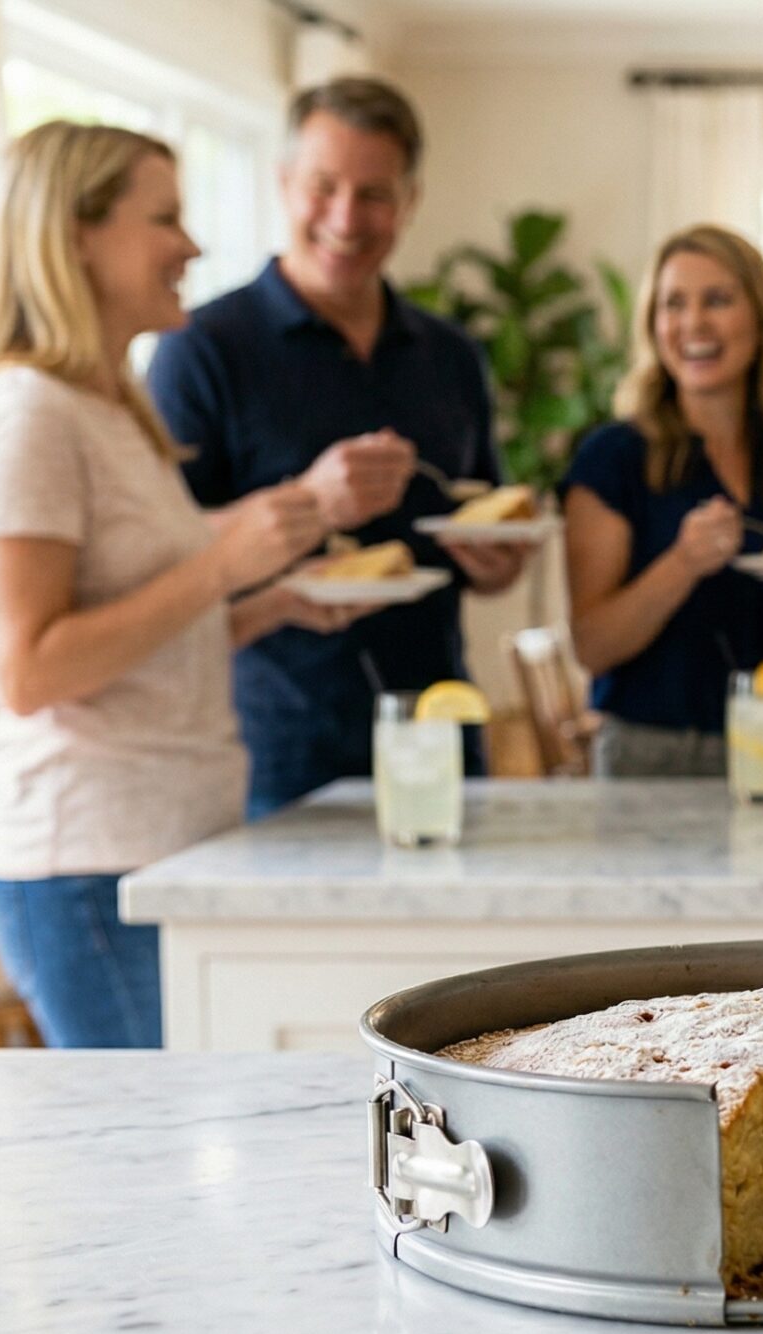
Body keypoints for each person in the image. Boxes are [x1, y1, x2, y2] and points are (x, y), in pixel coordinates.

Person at [0, 123, 341, 1047]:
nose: (192, 246)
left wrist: (266, 602)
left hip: (164, 848)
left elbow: (128, 636)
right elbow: (30, 671)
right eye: (165, 218)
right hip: (83, 869)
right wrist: (223, 565)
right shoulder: (24, 416)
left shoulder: (110, 409)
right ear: (75, 234)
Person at [146, 76, 532, 817]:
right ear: (284, 181)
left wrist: (496, 559)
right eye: (322, 186)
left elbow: (477, 512)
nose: (346, 217)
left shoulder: (450, 354)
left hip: (438, 726)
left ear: (410, 200)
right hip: (275, 747)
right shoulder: (200, 349)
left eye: (375, 193)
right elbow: (165, 556)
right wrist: (311, 504)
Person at [561, 225, 763, 774]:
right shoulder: (613, 457)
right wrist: (682, 564)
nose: (693, 324)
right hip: (655, 755)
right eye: (674, 304)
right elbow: (593, 646)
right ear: (653, 326)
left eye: (717, 300)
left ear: (760, 317)